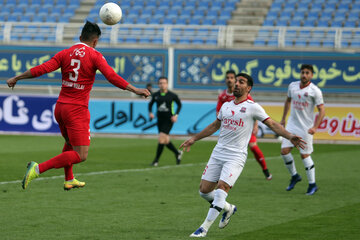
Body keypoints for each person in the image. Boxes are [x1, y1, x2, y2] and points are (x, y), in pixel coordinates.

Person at [6, 21, 150, 190]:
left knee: (69, 143)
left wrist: (17, 78)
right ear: (95, 42)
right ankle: (37, 169)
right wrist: (135, 89)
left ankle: (69, 179)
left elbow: (42, 69)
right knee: (81, 155)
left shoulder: (65, 53)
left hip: (60, 108)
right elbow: (111, 76)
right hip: (76, 110)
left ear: (80, 37)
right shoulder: (95, 56)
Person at [180, 73, 305, 238]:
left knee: (221, 189)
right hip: (218, 153)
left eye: (241, 82)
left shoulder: (253, 107)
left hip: (236, 156)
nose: (236, 84)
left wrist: (290, 136)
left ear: (249, 88)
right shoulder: (226, 106)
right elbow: (214, 125)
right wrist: (194, 139)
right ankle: (228, 208)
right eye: (236, 81)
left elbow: (272, 124)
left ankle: (203, 228)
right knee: (204, 191)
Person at [216, 70, 272, 180]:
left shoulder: (244, 96)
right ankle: (222, 175)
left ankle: (265, 170)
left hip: (244, 128)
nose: (230, 80)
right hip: (230, 129)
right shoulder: (223, 96)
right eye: (228, 78)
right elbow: (218, 112)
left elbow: (253, 111)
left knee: (253, 147)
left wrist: (255, 126)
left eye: (232, 78)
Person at [280, 64, 325, 195]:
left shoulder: (315, 91)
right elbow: (287, 101)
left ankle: (312, 184)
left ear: (311, 75)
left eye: (307, 73)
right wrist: (283, 118)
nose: (304, 75)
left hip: (306, 128)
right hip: (291, 125)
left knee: (304, 155)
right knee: (284, 151)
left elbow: (322, 110)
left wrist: (315, 127)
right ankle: (294, 176)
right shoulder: (292, 86)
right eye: (302, 72)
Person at [148, 76, 182, 166]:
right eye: (160, 83)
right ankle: (177, 153)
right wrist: (150, 113)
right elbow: (150, 104)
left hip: (169, 120)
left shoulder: (172, 95)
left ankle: (156, 160)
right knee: (165, 140)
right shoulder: (155, 95)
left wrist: (176, 115)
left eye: (164, 83)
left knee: (161, 139)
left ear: (167, 84)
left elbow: (179, 105)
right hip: (160, 120)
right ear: (158, 84)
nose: (162, 85)